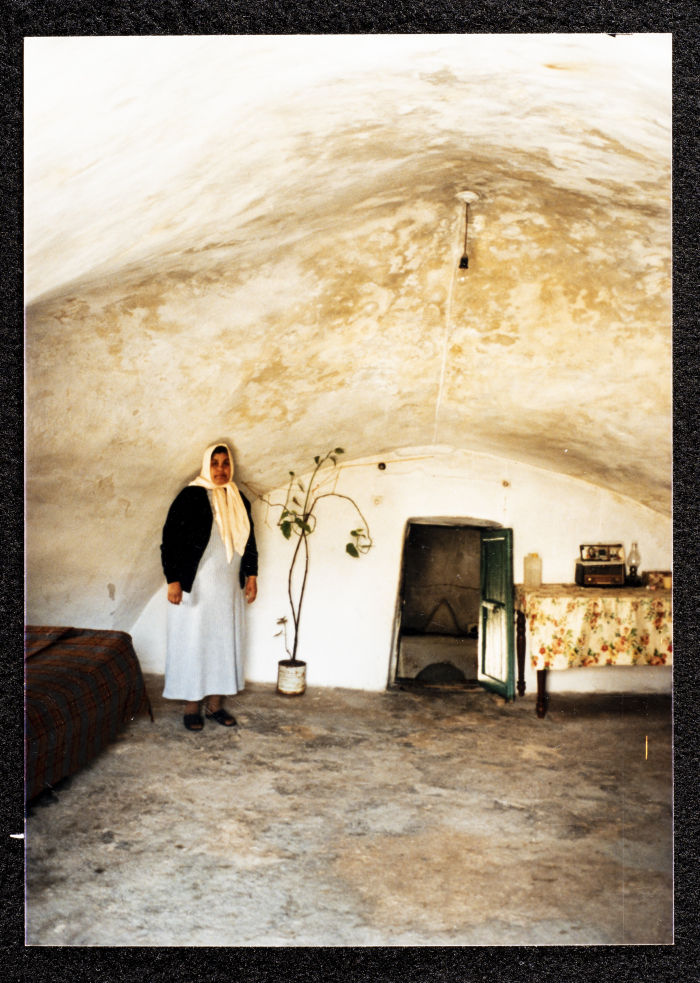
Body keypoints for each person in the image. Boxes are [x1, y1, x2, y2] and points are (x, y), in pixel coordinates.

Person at [160, 443, 258, 731]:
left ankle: (215, 706)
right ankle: (192, 708)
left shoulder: (239, 498)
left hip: (227, 586)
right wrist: (173, 580)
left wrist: (251, 575)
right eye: (214, 463)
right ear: (206, 465)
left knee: (221, 643)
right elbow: (170, 540)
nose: (220, 469)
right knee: (194, 643)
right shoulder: (190, 496)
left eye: (225, 463)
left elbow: (249, 541)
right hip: (197, 585)